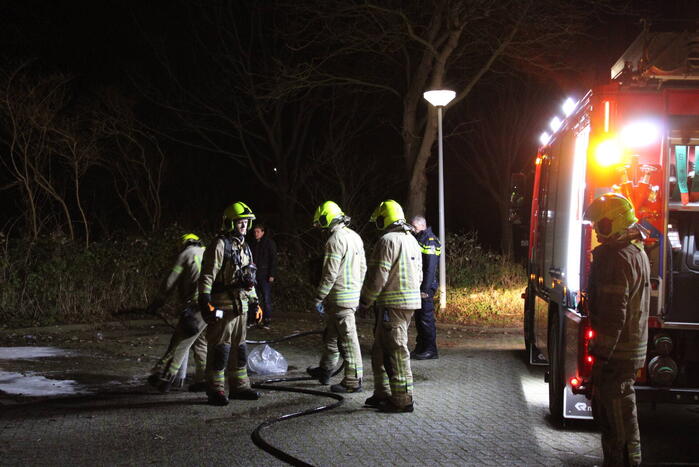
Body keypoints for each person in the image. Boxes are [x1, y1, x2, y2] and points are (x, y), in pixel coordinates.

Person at [585, 193, 650, 467]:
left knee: (617, 426)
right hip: (628, 353)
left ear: (616, 223)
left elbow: (614, 315)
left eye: (601, 224)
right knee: (624, 417)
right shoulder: (636, 252)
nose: (597, 231)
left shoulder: (616, 259)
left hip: (616, 356)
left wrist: (600, 359)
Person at [360, 200, 422, 413]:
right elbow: (420, 274)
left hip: (392, 305)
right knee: (379, 350)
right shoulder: (412, 240)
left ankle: (402, 399)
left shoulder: (387, 241)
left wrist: (366, 300)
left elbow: (378, 276)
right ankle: (382, 393)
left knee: (395, 350)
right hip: (407, 303)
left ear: (384, 218)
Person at [198, 202, 261, 406]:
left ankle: (240, 386)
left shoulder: (245, 247)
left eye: (246, 222)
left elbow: (249, 278)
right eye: (240, 222)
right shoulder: (219, 245)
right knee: (220, 349)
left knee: (239, 349)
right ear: (229, 223)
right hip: (222, 307)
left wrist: (255, 302)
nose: (243, 226)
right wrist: (205, 300)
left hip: (240, 307)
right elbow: (208, 275)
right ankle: (215, 389)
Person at [306, 201, 366, 393]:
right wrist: (356, 289)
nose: (321, 227)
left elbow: (329, 274)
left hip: (339, 298)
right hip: (350, 296)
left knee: (348, 340)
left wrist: (318, 297)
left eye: (321, 222)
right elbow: (363, 268)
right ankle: (325, 370)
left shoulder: (334, 240)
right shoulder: (355, 237)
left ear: (327, 218)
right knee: (331, 337)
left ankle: (353, 380)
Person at [147, 234, 208, 393]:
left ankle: (165, 378)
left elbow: (169, 283)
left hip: (195, 307)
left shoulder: (186, 254)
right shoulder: (207, 252)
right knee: (200, 343)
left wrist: (157, 303)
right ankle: (203, 379)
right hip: (211, 306)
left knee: (180, 343)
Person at [409, 215, 441, 360]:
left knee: (426, 318)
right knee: (420, 318)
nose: (413, 230)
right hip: (420, 285)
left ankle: (430, 350)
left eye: (414, 228)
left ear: (421, 226)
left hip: (426, 286)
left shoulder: (430, 240)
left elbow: (430, 268)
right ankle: (421, 347)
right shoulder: (420, 238)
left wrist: (425, 290)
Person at [248, 224, 277, 329]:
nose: (256, 234)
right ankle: (252, 319)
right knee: (253, 298)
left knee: (266, 298)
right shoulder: (252, 243)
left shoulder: (269, 243)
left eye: (258, 232)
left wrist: (272, 274)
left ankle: (267, 320)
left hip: (265, 275)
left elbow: (273, 259)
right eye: (254, 232)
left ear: (263, 232)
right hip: (253, 275)